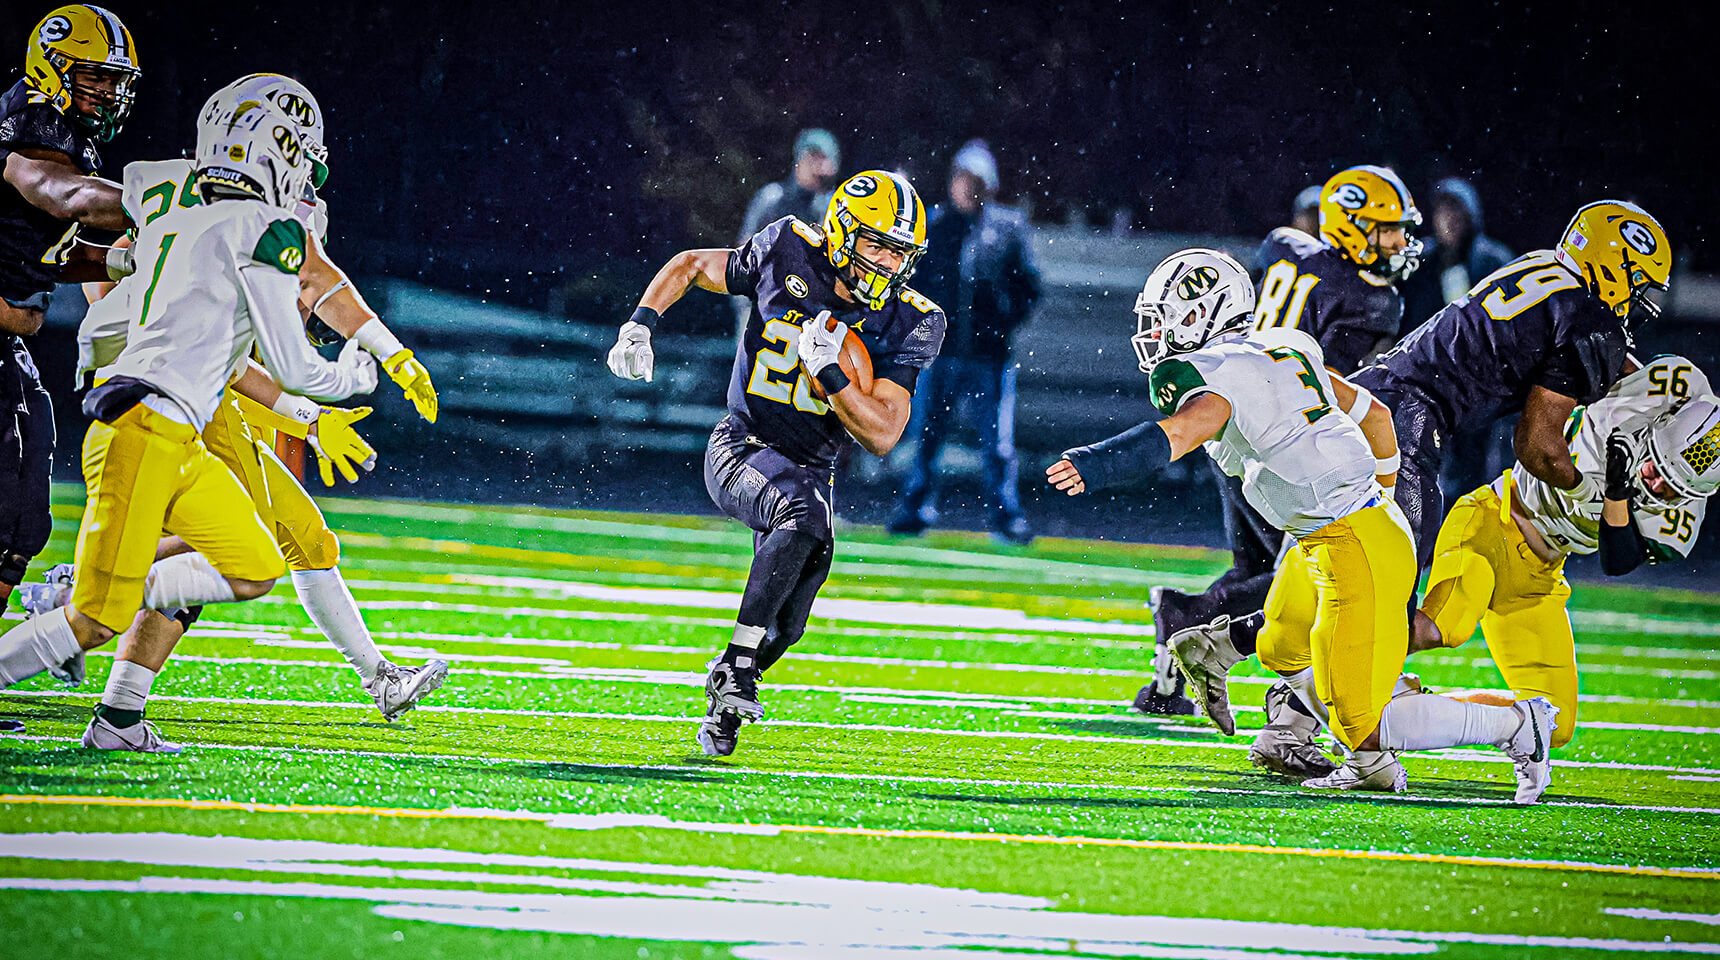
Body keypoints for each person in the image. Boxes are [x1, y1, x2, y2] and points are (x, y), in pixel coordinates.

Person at [20, 75, 447, 751]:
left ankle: (122, 713)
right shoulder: (257, 221)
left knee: (282, 540)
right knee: (273, 539)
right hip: (175, 395)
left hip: (164, 384)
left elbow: (107, 271)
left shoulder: (170, 191)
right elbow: (305, 297)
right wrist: (348, 378)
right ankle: (84, 596)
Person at [1174, 200, 1671, 779]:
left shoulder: (1545, 273)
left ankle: (1249, 670)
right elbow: (1538, 446)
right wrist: (1599, 488)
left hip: (1374, 398)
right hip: (1406, 425)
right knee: (1382, 598)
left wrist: (1646, 386)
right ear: (1615, 266)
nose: (1640, 300)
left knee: (1326, 582)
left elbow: (1577, 362)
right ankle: (1353, 736)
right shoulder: (1586, 314)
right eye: (1638, 282)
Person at [1052, 248, 1558, 802]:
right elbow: (1375, 416)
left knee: (1361, 725)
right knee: (1281, 644)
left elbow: (1179, 434)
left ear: (1209, 312)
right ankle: (1214, 653)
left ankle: (1518, 723)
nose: (1156, 330)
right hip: (1329, 532)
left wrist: (1098, 462)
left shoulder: (1214, 376)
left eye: (1169, 314)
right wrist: (1379, 499)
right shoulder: (1284, 344)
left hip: (1352, 540)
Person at [608, 170, 945, 756]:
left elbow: (884, 434)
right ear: (842, 229)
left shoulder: (913, 318)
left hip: (815, 469)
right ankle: (736, 667)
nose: (889, 266)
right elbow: (691, 264)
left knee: (787, 624)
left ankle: (728, 694)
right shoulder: (787, 246)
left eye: (900, 254)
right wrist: (641, 324)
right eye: (877, 246)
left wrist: (833, 376)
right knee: (801, 513)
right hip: (740, 444)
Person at [1139, 166, 1421, 725]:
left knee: (1256, 566)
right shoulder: (1372, 299)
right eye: (1385, 230)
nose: (1395, 243)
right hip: (1284, 442)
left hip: (1227, 422)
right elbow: (1333, 385)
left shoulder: (1285, 246)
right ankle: (1199, 630)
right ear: (1350, 224)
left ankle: (1170, 671)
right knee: (1310, 568)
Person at [1412, 357, 1718, 753]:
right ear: (1656, 430)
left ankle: (1407, 710)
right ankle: (1314, 682)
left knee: (1551, 722)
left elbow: (1619, 559)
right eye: (1657, 468)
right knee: (1441, 628)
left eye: (1672, 490)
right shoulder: (1631, 412)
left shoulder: (1679, 518)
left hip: (1541, 574)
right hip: (1496, 519)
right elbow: (1605, 361)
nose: (1657, 485)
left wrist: (1618, 492)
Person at [0, 4, 139, 615]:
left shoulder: (67, 140)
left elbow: (54, 248)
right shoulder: (30, 124)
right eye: (95, 76)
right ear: (52, 66)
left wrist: (126, 264)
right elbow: (66, 197)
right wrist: (173, 200)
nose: (109, 91)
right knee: (11, 515)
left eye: (116, 80)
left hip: (9, 348)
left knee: (19, 526)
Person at [888, 140, 1041, 543]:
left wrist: (1000, 323)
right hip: (940, 354)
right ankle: (915, 508)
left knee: (997, 445)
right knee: (927, 436)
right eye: (961, 179)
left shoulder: (1006, 229)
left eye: (974, 181)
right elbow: (911, 286)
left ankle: (1006, 516)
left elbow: (1030, 287)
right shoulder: (935, 228)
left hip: (989, 357)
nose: (966, 188)